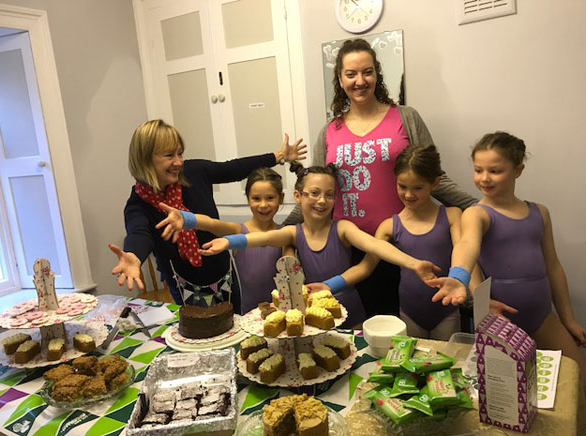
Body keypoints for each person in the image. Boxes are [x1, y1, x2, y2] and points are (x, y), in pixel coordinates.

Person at [284, 38, 475, 319]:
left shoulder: (405, 117)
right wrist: (276, 228)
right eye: (351, 74)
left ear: (377, 74)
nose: (360, 81)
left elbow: (435, 177)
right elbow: (316, 189)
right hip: (346, 249)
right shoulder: (329, 131)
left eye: (367, 72)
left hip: (401, 245)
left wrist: (480, 208)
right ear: (340, 79)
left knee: (402, 330)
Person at [429, 131, 586, 388]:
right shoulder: (477, 213)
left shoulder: (540, 213)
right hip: (500, 319)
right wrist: (459, 276)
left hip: (542, 316)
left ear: (518, 170)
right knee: (508, 390)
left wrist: (568, 319)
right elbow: (468, 244)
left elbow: (553, 267)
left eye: (495, 171)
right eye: (478, 170)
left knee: (576, 376)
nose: (484, 178)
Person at [200, 164, 441, 329]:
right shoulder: (293, 233)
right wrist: (228, 241)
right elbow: (261, 238)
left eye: (329, 194)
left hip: (351, 314)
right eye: (314, 193)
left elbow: (375, 246)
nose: (321, 201)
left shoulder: (343, 228)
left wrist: (414, 263)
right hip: (315, 320)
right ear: (298, 196)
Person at [109, 119, 306, 310]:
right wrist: (134, 256)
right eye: (169, 155)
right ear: (145, 159)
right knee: (197, 335)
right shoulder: (139, 203)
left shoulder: (193, 171)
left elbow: (233, 168)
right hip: (183, 284)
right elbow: (138, 232)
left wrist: (278, 156)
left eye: (180, 153)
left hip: (223, 272)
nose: (178, 162)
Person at [154, 167, 291, 313]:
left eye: (270, 198)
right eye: (256, 198)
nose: (263, 205)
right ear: (248, 199)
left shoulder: (285, 234)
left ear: (281, 198)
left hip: (280, 313)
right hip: (247, 315)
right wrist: (187, 218)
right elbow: (212, 224)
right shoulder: (239, 230)